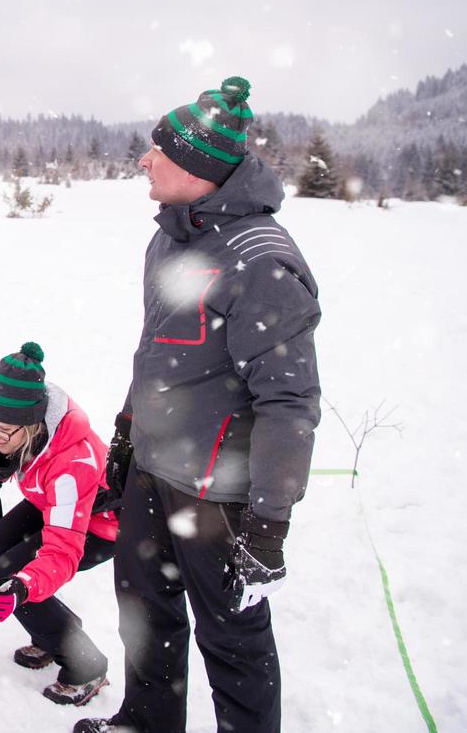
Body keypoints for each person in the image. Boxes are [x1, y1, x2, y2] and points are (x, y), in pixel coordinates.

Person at [75, 78, 321, 733]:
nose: (141, 161)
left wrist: (268, 522)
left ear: (196, 168)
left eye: (156, 151)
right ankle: (147, 721)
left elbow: (291, 402)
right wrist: (126, 447)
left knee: (232, 638)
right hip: (157, 471)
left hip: (219, 493)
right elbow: (155, 355)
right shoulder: (171, 239)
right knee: (145, 606)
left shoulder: (261, 263)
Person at [0, 342, 117, 709]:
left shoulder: (71, 466)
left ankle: (87, 665)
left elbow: (63, 552)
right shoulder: (23, 427)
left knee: (12, 573)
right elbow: (15, 450)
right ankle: (53, 631)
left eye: (4, 432)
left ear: (32, 425)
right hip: (49, 501)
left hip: (96, 524)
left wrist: (21, 588)